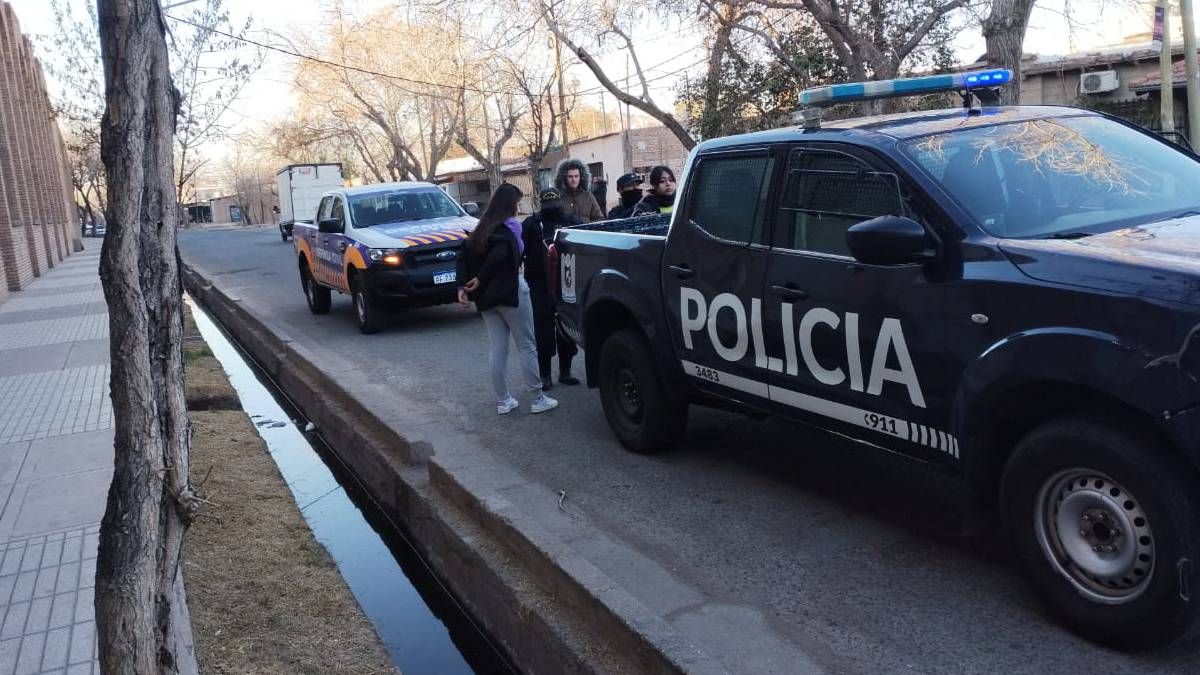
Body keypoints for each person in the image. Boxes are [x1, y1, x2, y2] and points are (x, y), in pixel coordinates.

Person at [457, 183, 559, 415]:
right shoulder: (511, 226)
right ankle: (537, 398)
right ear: (510, 204)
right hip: (512, 291)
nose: (519, 207)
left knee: (497, 348)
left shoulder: (481, 228)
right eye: (517, 203)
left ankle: (504, 401)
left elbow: (462, 254)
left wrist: (463, 285)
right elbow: (501, 254)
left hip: (486, 298)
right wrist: (481, 278)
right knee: (527, 346)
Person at [522, 188, 582, 390]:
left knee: (566, 327)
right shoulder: (532, 224)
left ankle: (565, 372)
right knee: (543, 329)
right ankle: (545, 375)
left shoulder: (570, 221)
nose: (553, 209)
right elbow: (519, 249)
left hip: (566, 281)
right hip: (539, 284)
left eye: (555, 205)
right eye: (549, 206)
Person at [554, 158, 604, 223]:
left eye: (576, 176)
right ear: (564, 178)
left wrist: (585, 224)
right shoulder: (559, 198)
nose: (574, 180)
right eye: (570, 177)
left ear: (581, 177)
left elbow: (600, 219)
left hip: (585, 229)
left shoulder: (588, 196)